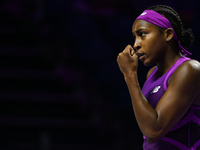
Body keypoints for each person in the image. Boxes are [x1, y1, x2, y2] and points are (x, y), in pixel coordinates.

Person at [117, 5, 200, 150]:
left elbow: (153, 131)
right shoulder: (152, 74)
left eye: (142, 34)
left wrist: (130, 76)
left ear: (167, 34)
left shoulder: (189, 70)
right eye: (134, 37)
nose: (136, 44)